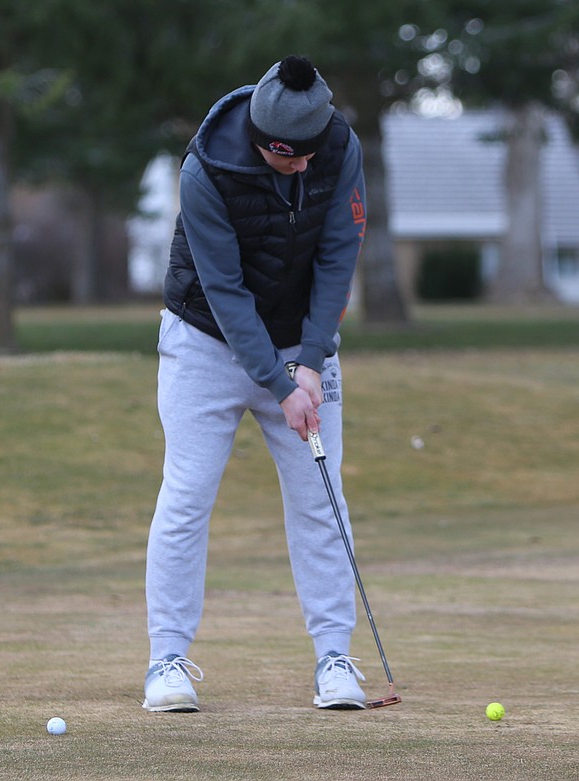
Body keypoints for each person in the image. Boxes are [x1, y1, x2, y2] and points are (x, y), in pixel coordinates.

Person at [143, 55, 368, 712]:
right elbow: (227, 292)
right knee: (186, 494)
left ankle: (334, 657)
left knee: (321, 498)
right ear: (260, 138)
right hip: (204, 340)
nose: (299, 167)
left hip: (301, 342)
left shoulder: (340, 148)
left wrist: (313, 362)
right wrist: (280, 381)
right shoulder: (205, 167)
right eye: (285, 159)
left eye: (307, 157)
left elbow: (337, 255)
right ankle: (167, 661)